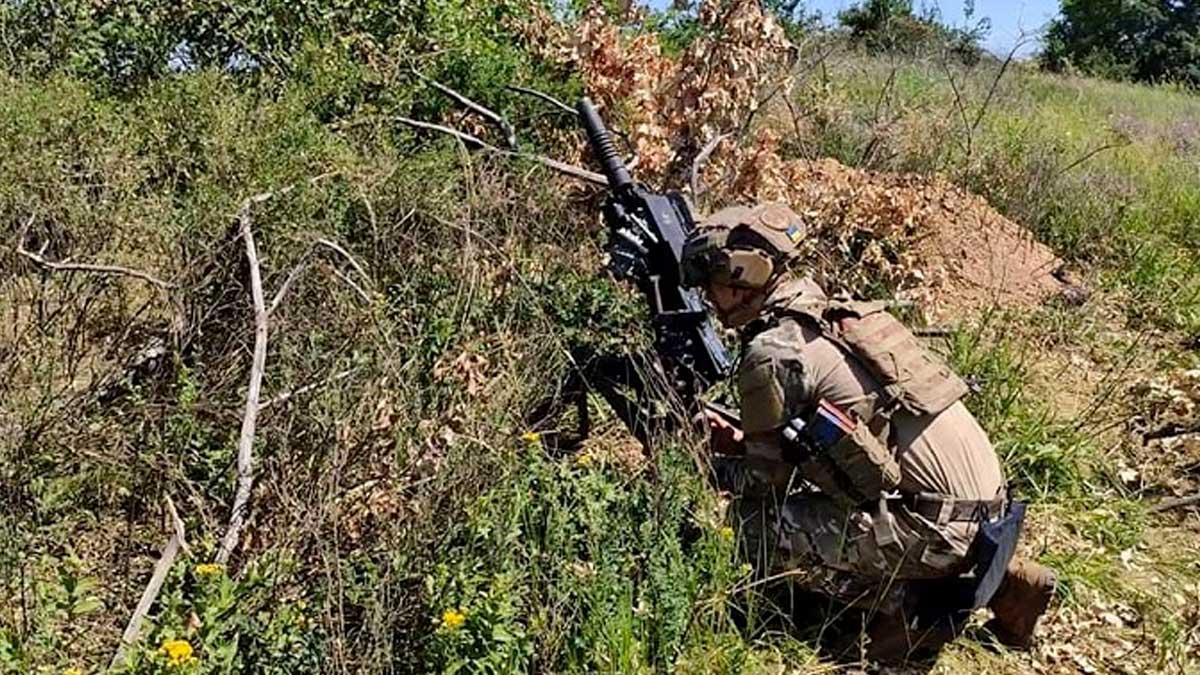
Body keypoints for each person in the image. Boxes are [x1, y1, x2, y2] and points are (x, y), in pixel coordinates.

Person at [679, 202, 1057, 663]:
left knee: (748, 526)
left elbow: (765, 489)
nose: (709, 300)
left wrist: (702, 462)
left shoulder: (772, 353)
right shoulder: (838, 315)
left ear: (741, 279)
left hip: (938, 529)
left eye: (712, 285)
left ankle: (911, 611)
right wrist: (747, 443)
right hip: (986, 508)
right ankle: (1008, 580)